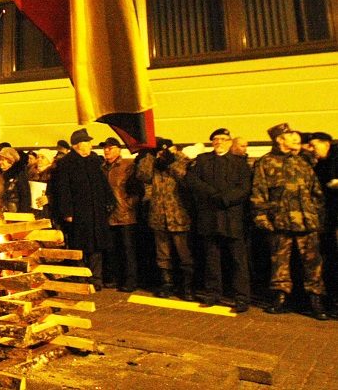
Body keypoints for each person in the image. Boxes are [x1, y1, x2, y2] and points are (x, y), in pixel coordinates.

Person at [252, 122, 327, 319]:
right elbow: (259, 193)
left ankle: (315, 300)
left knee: (313, 262)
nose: (295, 138)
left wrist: (318, 217)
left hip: (307, 221)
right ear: (279, 139)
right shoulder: (265, 162)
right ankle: (280, 297)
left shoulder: (303, 161)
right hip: (280, 221)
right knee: (280, 262)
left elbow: (316, 192)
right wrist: (261, 217)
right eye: (290, 135)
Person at [186, 127, 252, 312]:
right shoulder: (203, 160)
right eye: (216, 139)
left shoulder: (239, 163)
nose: (219, 142)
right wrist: (213, 195)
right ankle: (213, 294)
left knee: (238, 260)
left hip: (232, 217)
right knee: (211, 258)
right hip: (209, 216)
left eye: (223, 139)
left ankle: (241, 298)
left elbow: (245, 187)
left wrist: (226, 198)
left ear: (230, 142)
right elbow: (193, 181)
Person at [49, 128, 115, 290]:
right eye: (87, 142)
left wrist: (109, 201)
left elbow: (103, 184)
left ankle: (96, 278)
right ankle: (81, 276)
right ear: (78, 145)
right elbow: (63, 190)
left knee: (96, 247)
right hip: (78, 213)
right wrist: (67, 212)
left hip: (96, 211)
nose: (91, 145)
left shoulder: (94, 161)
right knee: (80, 245)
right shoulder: (66, 163)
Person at [136, 137, 194, 300]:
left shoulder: (181, 160)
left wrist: (171, 162)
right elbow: (143, 175)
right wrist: (149, 156)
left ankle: (187, 286)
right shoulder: (153, 163)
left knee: (184, 254)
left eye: (164, 150)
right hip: (158, 216)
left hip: (178, 216)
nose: (162, 153)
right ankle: (167, 284)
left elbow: (184, 176)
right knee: (163, 254)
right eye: (159, 150)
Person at [306, 132, 338, 318]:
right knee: (331, 260)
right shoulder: (321, 164)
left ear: (325, 143)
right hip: (328, 220)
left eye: (313, 145)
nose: (311, 149)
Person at [101, 138, 139, 293]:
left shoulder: (127, 165)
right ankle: (115, 278)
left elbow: (136, 190)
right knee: (112, 249)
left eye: (110, 148)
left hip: (125, 215)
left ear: (118, 149)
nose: (107, 151)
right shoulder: (102, 167)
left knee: (127, 250)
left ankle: (131, 281)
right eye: (105, 148)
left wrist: (128, 205)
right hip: (108, 216)